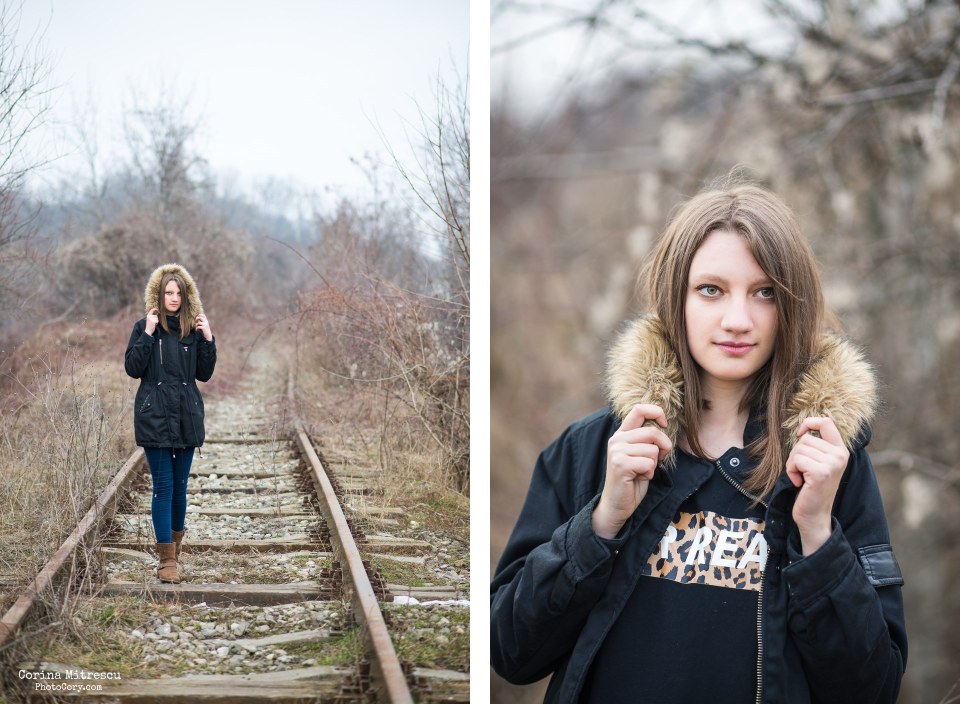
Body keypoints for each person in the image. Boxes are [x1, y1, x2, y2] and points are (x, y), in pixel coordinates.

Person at [490, 184, 907, 703]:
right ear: (676, 297)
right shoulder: (593, 449)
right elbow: (510, 651)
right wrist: (601, 523)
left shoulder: (830, 465)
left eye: (765, 292)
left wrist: (818, 534)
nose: (738, 320)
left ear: (792, 306)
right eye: (711, 289)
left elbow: (873, 689)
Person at [124, 263, 216, 584]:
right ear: (158, 295)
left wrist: (208, 338)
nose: (174, 298)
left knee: (179, 488)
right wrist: (148, 334)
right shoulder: (144, 327)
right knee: (163, 487)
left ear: (186, 296)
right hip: (155, 418)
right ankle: (167, 561)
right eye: (168, 293)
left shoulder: (192, 329)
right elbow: (133, 368)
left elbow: (204, 374)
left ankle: (174, 551)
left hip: (187, 417)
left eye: (179, 293)